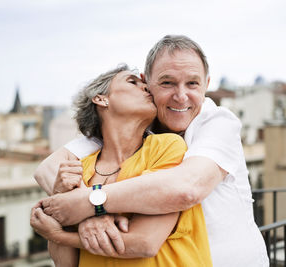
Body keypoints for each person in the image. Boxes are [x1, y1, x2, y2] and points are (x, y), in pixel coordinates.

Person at [34, 35, 269, 266]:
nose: (181, 96)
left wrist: (88, 204)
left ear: (206, 85)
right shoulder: (135, 130)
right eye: (167, 83)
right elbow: (48, 168)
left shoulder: (217, 122)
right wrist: (86, 218)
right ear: (149, 84)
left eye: (192, 83)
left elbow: (186, 188)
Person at [30, 64, 212, 267]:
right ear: (101, 98)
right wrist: (61, 201)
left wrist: (59, 234)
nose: (146, 88)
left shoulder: (166, 147)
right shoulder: (78, 170)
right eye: (132, 82)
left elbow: (144, 242)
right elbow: (68, 264)